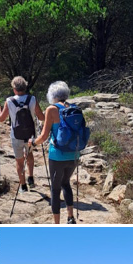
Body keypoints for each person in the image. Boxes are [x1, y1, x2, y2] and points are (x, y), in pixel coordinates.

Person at [31, 81, 79, 224]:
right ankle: (70, 218)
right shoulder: (74, 108)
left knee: (55, 188)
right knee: (66, 183)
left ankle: (56, 224)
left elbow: (44, 136)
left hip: (57, 155)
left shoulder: (51, 110)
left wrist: (33, 142)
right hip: (74, 154)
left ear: (52, 95)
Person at [0, 76, 45, 193]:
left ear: (14, 88)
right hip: (30, 135)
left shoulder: (9, 101)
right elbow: (41, 117)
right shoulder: (32, 99)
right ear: (25, 87)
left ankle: (23, 185)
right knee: (29, 153)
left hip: (16, 135)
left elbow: (1, 119)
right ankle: (31, 177)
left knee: (19, 160)